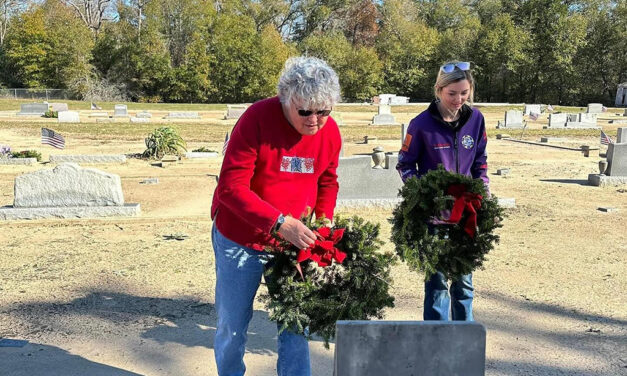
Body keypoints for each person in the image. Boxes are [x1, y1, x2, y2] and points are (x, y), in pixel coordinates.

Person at [210, 56, 342, 376]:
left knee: (295, 324)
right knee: (233, 324)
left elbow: (327, 181)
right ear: (286, 99)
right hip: (240, 239)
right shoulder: (256, 119)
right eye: (305, 111)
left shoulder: (330, 133)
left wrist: (321, 228)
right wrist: (280, 223)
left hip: (293, 244)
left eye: (323, 111)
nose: (314, 120)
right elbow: (231, 187)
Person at [396, 61, 489, 321]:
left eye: (464, 92)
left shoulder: (476, 120)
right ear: (438, 90)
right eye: (452, 94)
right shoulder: (421, 124)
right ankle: (436, 339)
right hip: (434, 218)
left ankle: (464, 339)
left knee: (464, 282)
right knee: (436, 284)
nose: (458, 99)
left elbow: (480, 160)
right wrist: (424, 193)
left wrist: (482, 187)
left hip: (466, 214)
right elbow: (404, 164)